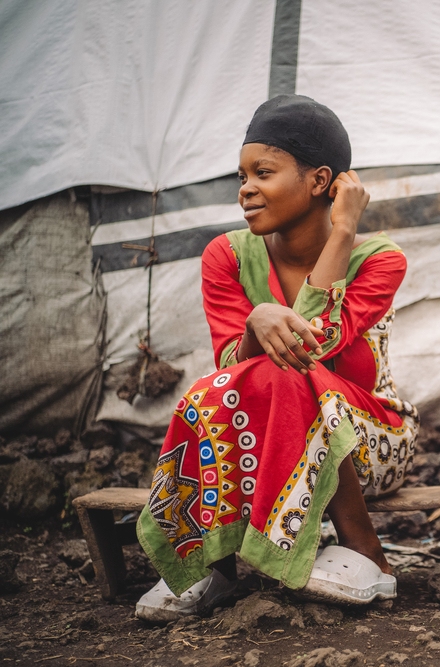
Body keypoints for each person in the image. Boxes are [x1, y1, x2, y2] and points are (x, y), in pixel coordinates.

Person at [135, 95, 418, 622]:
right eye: (241, 175)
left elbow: (316, 345)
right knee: (215, 390)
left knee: (291, 373)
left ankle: (367, 553)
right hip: (262, 437)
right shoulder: (226, 255)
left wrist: (343, 233)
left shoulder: (378, 259)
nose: (245, 188)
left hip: (371, 441)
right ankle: (212, 566)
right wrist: (253, 321)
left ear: (320, 181)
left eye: (263, 172)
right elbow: (230, 373)